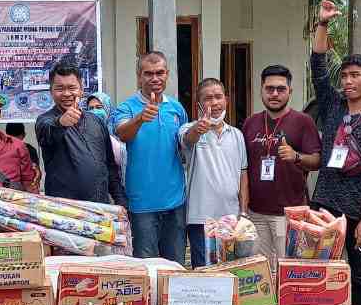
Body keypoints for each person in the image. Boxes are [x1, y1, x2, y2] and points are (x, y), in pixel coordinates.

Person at [309, 0, 361, 305]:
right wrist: (323, 24)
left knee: (360, 273)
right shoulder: (333, 106)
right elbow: (317, 66)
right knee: (320, 271)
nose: (347, 81)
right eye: (344, 75)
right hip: (325, 205)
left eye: (355, 75)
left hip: (359, 211)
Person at [241, 64, 322, 269]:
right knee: (261, 274)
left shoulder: (303, 122)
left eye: (281, 89)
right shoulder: (250, 123)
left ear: (290, 91)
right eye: (269, 89)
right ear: (261, 90)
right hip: (256, 213)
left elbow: (317, 160)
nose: (275, 94)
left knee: (288, 271)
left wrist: (296, 156)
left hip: (288, 214)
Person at [113, 51, 189, 264]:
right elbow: (122, 133)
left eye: (160, 73)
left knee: (175, 266)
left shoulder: (176, 108)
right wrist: (140, 119)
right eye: (148, 74)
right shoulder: (126, 108)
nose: (155, 78)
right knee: (147, 270)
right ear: (139, 76)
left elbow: (184, 144)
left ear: (167, 74)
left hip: (175, 202)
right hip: (141, 205)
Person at [180, 78, 248, 268]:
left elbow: (243, 175)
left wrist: (243, 212)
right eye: (208, 98)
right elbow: (188, 139)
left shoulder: (237, 135)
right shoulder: (188, 128)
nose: (215, 103)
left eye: (218, 97)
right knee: (205, 276)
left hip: (231, 220)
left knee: (232, 272)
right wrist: (198, 129)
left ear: (226, 100)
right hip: (201, 220)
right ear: (199, 104)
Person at [35, 63, 126, 205]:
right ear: (51, 91)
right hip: (64, 210)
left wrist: (120, 200)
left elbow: (109, 166)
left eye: (72, 88)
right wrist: (61, 122)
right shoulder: (45, 120)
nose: (66, 93)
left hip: (100, 206)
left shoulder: (96, 122)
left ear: (81, 90)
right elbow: (46, 133)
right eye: (59, 89)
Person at [87, 91, 127, 188]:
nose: (94, 111)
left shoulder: (119, 129)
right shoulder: (84, 131)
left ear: (107, 109)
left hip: (119, 186)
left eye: (99, 107)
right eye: (91, 108)